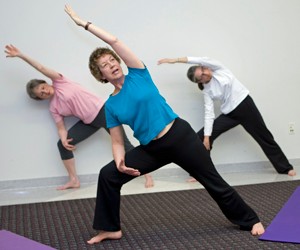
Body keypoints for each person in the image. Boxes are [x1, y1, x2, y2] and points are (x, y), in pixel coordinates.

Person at [65, 5, 264, 244]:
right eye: (105, 65)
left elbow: (115, 40)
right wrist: (120, 161)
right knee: (108, 174)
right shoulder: (111, 105)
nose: (111, 64)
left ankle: (250, 219)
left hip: (179, 136)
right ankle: (109, 228)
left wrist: (83, 24)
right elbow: (117, 140)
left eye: (112, 60)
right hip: (152, 149)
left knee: (212, 180)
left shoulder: (138, 73)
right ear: (101, 76)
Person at [4, 44, 154, 190]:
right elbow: (61, 127)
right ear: (40, 99)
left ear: (46, 83)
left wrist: (21, 55)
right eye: (41, 94)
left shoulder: (60, 81)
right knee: (61, 144)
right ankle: (74, 180)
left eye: (43, 88)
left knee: (124, 145)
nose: (44, 92)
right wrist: (64, 138)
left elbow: (41, 68)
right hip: (89, 122)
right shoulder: (53, 107)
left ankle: (147, 175)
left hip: (103, 111)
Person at [157, 56, 296, 182]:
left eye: (203, 70)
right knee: (200, 138)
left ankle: (285, 168)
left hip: (246, 106)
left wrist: (175, 60)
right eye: (202, 76)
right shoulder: (207, 90)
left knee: (264, 136)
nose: (205, 73)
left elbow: (200, 59)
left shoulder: (219, 68)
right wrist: (207, 137)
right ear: (200, 81)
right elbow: (209, 114)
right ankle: (200, 173)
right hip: (230, 114)